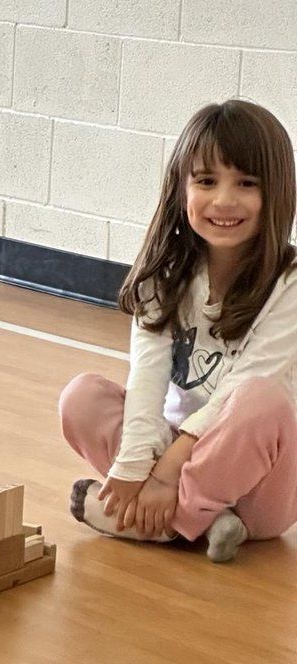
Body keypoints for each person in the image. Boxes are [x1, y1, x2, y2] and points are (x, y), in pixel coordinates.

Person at [59, 99, 297, 563]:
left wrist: (167, 477)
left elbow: (246, 386)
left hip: (260, 491)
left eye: (246, 183)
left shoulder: (291, 281)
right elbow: (146, 379)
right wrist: (132, 468)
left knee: (259, 398)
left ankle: (163, 523)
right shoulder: (163, 276)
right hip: (169, 454)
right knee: (80, 397)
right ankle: (205, 524)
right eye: (206, 181)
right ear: (180, 187)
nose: (224, 200)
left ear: (277, 192)